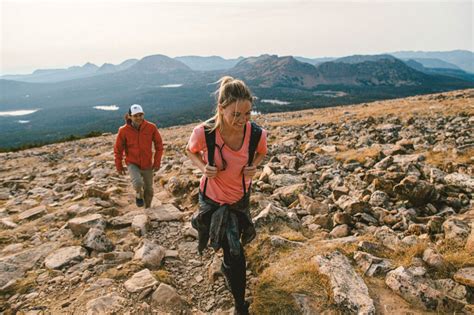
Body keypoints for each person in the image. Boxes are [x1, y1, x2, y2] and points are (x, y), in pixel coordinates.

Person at [186, 77, 267, 315]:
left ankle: (228, 270)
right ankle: (240, 305)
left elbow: (262, 152)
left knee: (234, 244)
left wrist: (254, 165)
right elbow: (189, 151)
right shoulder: (205, 133)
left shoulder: (256, 135)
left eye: (247, 113)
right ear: (221, 108)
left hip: (239, 199)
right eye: (236, 114)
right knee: (234, 251)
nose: (242, 120)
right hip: (210, 198)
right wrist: (203, 168)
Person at [114, 104, 163, 208]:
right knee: (137, 183)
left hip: (147, 163)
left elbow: (159, 146)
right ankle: (138, 195)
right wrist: (119, 165)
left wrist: (157, 162)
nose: (138, 118)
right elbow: (118, 149)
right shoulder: (123, 130)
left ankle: (147, 207)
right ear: (129, 116)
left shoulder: (151, 127)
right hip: (132, 163)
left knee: (149, 189)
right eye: (135, 115)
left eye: (140, 115)